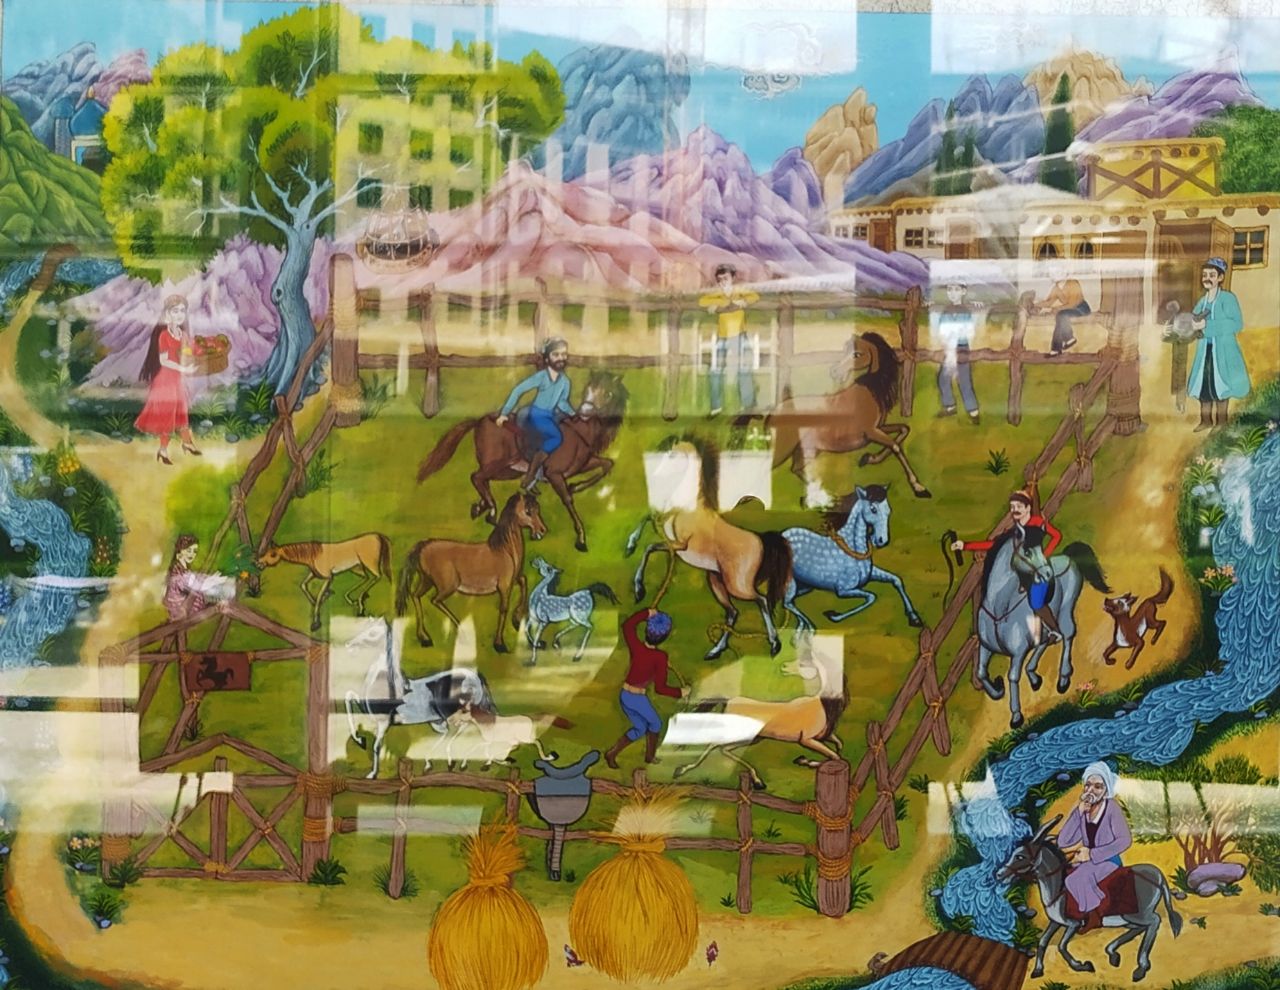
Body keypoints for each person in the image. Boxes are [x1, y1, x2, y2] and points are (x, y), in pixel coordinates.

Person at [950, 490, 1063, 642]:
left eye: (1019, 506)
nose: (1015, 510)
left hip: (1039, 569)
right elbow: (993, 545)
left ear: (1028, 508)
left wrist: (1044, 555)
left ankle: (1053, 630)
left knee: (1035, 601)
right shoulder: (1014, 531)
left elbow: (1057, 536)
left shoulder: (1038, 523)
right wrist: (964, 545)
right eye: (1012, 507)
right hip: (1022, 569)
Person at [604, 608, 688, 768]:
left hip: (625, 696)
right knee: (656, 724)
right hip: (636, 699)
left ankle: (612, 753)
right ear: (665, 636)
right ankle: (649, 756)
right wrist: (680, 692)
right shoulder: (660, 657)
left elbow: (628, 626)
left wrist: (647, 613)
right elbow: (660, 688)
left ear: (646, 630)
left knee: (641, 728)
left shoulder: (636, 646)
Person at [1058, 761, 1132, 933]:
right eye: (1088, 785)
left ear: (1106, 790)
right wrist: (1077, 813)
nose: (1091, 790)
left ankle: (1094, 916)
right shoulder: (1084, 811)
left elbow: (1125, 840)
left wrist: (1092, 854)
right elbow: (1063, 841)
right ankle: (1074, 912)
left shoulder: (1112, 808)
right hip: (1087, 861)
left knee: (1075, 879)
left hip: (1108, 860)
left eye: (1098, 787)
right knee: (1063, 875)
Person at [496, 337, 575, 492]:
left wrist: (574, 414)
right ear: (547, 358)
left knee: (567, 431)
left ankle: (550, 467)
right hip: (537, 414)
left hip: (551, 415)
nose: (560, 358)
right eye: (556, 354)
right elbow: (519, 390)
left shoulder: (565, 382)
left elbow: (562, 402)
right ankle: (531, 475)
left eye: (563, 354)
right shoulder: (542, 377)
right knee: (556, 437)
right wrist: (504, 413)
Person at [136, 295, 202, 465]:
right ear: (167, 314)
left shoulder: (183, 335)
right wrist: (184, 369)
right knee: (167, 414)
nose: (179, 315)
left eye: (182, 311)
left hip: (177, 381)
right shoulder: (164, 335)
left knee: (181, 411)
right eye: (175, 311)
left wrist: (205, 349)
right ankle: (163, 450)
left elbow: (193, 351)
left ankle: (187, 443)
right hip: (164, 381)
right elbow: (164, 360)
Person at [1187, 257, 1251, 432]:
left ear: (1220, 277)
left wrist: (1208, 325)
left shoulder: (1228, 299)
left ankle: (1221, 423)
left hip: (1223, 351)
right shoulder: (1202, 301)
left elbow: (1236, 324)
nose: (1207, 279)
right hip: (1205, 352)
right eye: (1205, 275)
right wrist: (1193, 324)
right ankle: (1205, 420)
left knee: (1221, 385)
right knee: (1204, 386)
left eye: (1212, 275)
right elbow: (1194, 319)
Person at [698, 264, 760, 417]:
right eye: (719, 280)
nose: (722, 282)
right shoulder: (718, 294)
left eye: (725, 278)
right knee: (716, 369)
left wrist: (743, 302)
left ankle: (748, 405)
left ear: (733, 278)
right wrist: (718, 303)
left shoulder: (739, 291)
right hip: (723, 335)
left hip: (739, 334)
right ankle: (716, 407)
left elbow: (755, 296)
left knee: (743, 368)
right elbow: (702, 301)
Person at [932, 281, 982, 424]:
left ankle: (973, 411)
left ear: (963, 292)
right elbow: (942, 328)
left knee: (964, 379)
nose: (952, 293)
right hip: (948, 346)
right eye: (949, 289)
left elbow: (968, 330)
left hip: (961, 347)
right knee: (943, 378)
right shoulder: (946, 310)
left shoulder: (966, 310)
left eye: (956, 289)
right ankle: (950, 406)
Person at [1034, 264, 1090, 356]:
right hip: (1068, 310)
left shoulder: (1072, 283)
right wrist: (1034, 304)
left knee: (1061, 315)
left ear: (1064, 272)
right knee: (1060, 317)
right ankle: (1057, 349)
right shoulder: (1056, 288)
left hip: (1081, 308)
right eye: (1051, 273)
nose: (1052, 275)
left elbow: (1073, 303)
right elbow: (1048, 302)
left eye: (1056, 272)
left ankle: (1068, 339)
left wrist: (1057, 308)